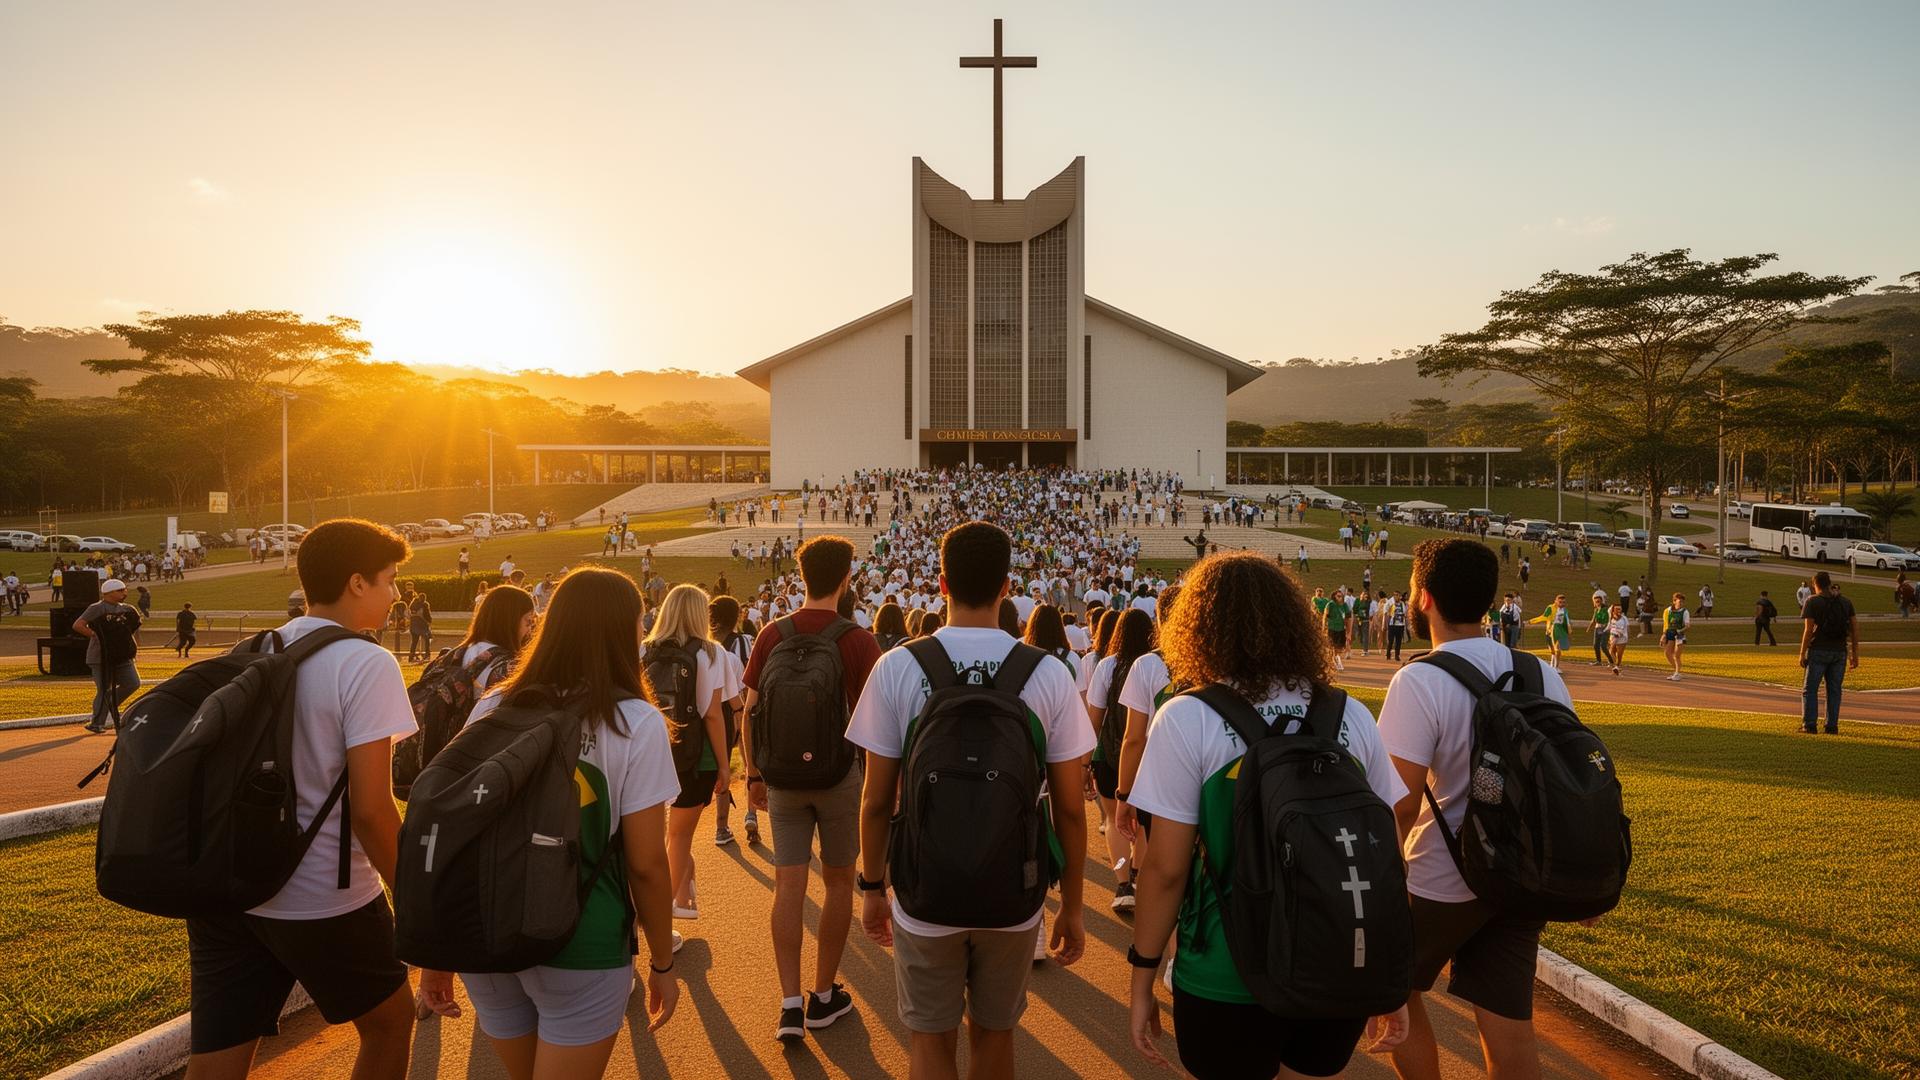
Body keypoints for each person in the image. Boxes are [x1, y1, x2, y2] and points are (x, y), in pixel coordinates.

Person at [1126, 551, 1409, 1077]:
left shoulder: (1186, 717)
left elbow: (1166, 869)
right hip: (1337, 959)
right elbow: (1387, 852)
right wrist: (1388, 973)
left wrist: (1142, 976)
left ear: (1198, 628)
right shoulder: (1349, 714)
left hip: (1224, 969)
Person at [415, 567, 683, 1078]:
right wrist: (663, 963)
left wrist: (437, 950)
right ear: (623, 631)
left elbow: (457, 828)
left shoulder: (493, 704)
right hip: (584, 937)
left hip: (486, 930)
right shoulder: (635, 721)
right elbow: (647, 863)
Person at [848, 521, 1091, 1080]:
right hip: (1014, 885)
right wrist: (1073, 907)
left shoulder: (898, 666)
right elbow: (1071, 809)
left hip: (923, 884)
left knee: (929, 1040)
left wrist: (870, 887)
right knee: (995, 1034)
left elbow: (875, 799)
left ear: (940, 583)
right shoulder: (1048, 673)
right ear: (1008, 587)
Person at [181, 520, 419, 1080]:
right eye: (390, 581)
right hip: (319, 895)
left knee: (219, 1055)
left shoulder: (258, 646)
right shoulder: (366, 662)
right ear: (358, 583)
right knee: (390, 1023)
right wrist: (418, 901)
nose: (396, 596)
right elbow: (371, 810)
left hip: (228, 888)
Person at [1378, 539, 1583, 1080]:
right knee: (1509, 1019)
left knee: (1390, 983)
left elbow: (1399, 803)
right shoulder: (1541, 673)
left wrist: (1377, 878)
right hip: (1522, 872)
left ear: (1423, 598)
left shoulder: (1419, 680)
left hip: (1443, 876)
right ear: (1490, 600)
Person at [739, 536, 882, 1041]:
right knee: (840, 882)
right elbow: (875, 722)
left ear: (801, 577)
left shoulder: (771, 635)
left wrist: (753, 774)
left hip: (780, 778)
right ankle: (824, 994)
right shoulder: (859, 640)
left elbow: (750, 711)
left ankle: (789, 1002)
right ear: (846, 579)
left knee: (789, 886)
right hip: (840, 776)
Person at [644, 585, 736, 929]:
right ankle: (660, 920)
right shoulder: (711, 653)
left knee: (662, 834)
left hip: (653, 751)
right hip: (694, 756)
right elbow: (713, 714)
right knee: (681, 836)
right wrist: (725, 765)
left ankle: (681, 896)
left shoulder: (646, 650)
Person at [1087, 607, 1154, 912]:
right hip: (1147, 756)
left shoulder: (1106, 666)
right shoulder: (1154, 666)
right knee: (1141, 824)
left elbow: (1094, 718)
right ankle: (1138, 877)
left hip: (1108, 754)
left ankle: (1123, 882)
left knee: (1115, 822)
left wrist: (1083, 763)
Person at [73, 577, 142, 733]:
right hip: (100, 656)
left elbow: (133, 628)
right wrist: (94, 635)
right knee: (104, 689)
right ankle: (97, 723)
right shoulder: (97, 608)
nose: (124, 592)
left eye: (124, 589)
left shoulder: (128, 609)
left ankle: (109, 704)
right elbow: (78, 625)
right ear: (108, 593)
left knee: (133, 683)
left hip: (123, 655)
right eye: (120, 590)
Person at [1799, 571, 1859, 734]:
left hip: (1818, 649)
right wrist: (1855, 654)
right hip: (1840, 651)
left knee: (1810, 689)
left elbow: (1808, 630)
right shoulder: (1846, 602)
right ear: (1829, 583)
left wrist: (1802, 652)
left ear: (1815, 584)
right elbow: (1854, 628)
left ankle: (1809, 724)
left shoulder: (1812, 601)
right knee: (1834, 690)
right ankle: (1831, 725)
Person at [1531, 595, 1572, 670]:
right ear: (1555, 601)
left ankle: (1556, 667)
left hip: (1559, 632)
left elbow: (1566, 621)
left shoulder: (1565, 610)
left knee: (1558, 649)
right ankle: (1552, 665)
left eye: (1564, 602)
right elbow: (1544, 617)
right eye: (1560, 602)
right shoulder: (1550, 608)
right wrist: (1532, 621)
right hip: (1549, 631)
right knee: (1552, 651)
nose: (1562, 604)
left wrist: (1568, 630)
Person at [1661, 593, 1690, 681]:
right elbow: (1666, 624)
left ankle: (1677, 673)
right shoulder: (1668, 611)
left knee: (1677, 655)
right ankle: (1676, 672)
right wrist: (1663, 635)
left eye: (1682, 602)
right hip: (1670, 633)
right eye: (1679, 601)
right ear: (1674, 601)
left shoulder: (1685, 612)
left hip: (1679, 635)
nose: (1681, 603)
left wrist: (1680, 631)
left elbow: (1688, 625)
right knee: (1667, 653)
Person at [407, 590, 433, 662]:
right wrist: (429, 621)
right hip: (422, 625)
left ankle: (411, 657)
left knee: (414, 641)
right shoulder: (424, 605)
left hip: (413, 625)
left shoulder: (412, 605)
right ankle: (427, 655)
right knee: (427, 639)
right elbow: (427, 615)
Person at [1606, 603, 1631, 675]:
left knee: (1619, 655)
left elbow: (1626, 628)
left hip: (1622, 639)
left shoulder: (1624, 618)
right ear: (1613, 610)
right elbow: (1610, 628)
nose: (1619, 610)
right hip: (1613, 637)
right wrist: (1609, 637)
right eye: (1617, 609)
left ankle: (1617, 666)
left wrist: (1627, 636)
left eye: (1620, 609)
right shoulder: (1611, 618)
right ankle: (1615, 666)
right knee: (1611, 652)